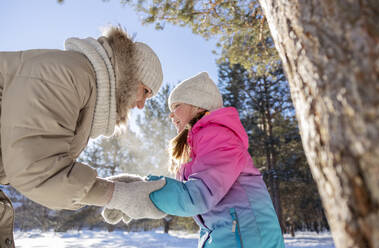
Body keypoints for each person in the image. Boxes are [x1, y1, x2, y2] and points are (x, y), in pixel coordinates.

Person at [0, 26, 165, 247]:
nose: (142, 105)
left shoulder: (82, 84)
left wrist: (114, 187)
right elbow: (37, 171)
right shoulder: (65, 76)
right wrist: (117, 195)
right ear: (132, 75)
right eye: (146, 91)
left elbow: (47, 162)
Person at [103, 72, 285, 248]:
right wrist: (136, 188)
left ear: (198, 106)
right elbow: (184, 196)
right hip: (224, 237)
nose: (171, 115)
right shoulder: (197, 144)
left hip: (249, 239)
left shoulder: (219, 136)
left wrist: (142, 192)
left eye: (176, 107)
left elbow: (196, 197)